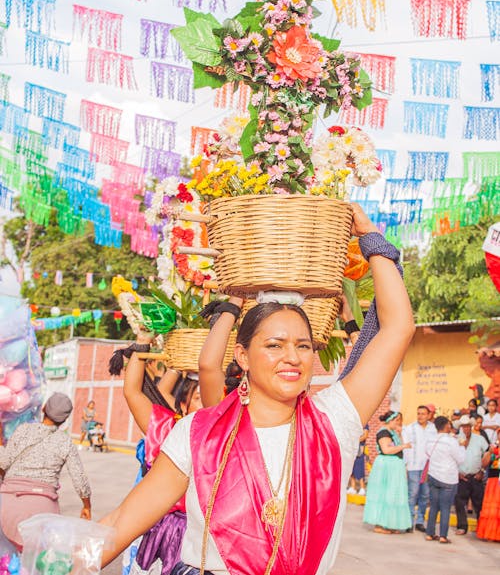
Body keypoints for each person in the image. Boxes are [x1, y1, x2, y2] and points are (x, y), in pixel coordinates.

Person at [100, 204, 416, 574]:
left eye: (302, 345)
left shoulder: (336, 419)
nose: (292, 357)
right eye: (274, 345)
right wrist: (59, 559)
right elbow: (122, 521)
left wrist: (371, 239)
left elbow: (398, 328)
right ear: (243, 357)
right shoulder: (199, 433)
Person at [119, 336, 203, 575]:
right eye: (198, 398)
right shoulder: (167, 429)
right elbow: (132, 392)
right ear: (183, 405)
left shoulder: (228, 434)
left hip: (208, 535)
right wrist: (141, 343)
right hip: (166, 531)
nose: (208, 402)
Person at [0, 392, 91, 550]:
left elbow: (4, 462)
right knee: (35, 565)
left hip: (7, 505)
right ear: (64, 420)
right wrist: (86, 506)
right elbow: (80, 479)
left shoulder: (23, 430)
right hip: (43, 511)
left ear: (43, 409)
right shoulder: (65, 441)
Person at [363, 411, 412, 533]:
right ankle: (379, 525)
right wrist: (403, 446)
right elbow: (386, 449)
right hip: (387, 466)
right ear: (390, 420)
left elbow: (397, 444)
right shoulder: (383, 432)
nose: (399, 423)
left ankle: (390, 523)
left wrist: (400, 436)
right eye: (397, 420)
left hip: (395, 466)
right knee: (385, 493)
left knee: (393, 494)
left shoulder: (393, 433)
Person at [424, 416, 465, 544]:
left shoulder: (431, 439)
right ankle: (443, 536)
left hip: (433, 474)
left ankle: (430, 533)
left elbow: (427, 453)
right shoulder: (451, 441)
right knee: (445, 507)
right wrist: (462, 446)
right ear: (446, 425)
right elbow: (461, 459)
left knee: (434, 506)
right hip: (448, 477)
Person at [402, 405, 437, 531]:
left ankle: (420, 521)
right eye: (418, 413)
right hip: (413, 466)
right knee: (413, 494)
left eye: (423, 414)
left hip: (428, 467)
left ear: (429, 415)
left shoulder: (433, 429)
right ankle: (409, 522)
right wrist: (405, 465)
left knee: (425, 495)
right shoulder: (410, 428)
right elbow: (406, 448)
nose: (420, 416)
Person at [454, 414, 489, 535]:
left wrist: (482, 471)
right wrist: (456, 472)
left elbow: (488, 454)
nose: (466, 429)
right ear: (461, 427)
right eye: (463, 426)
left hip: (476, 476)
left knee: (479, 504)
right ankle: (462, 526)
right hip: (461, 476)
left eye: (468, 426)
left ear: (471, 426)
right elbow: (452, 457)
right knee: (459, 502)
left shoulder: (480, 439)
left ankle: (482, 528)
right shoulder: (456, 439)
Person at [476, 426, 500, 541]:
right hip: (493, 482)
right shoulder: (493, 448)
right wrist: (490, 453)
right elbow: (484, 464)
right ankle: (492, 534)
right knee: (492, 510)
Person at [347, 425, 369, 496]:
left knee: (359, 469)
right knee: (351, 469)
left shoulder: (365, 425)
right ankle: (353, 487)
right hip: (351, 448)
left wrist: (354, 440)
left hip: (359, 449)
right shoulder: (352, 422)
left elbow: (365, 436)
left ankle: (362, 488)